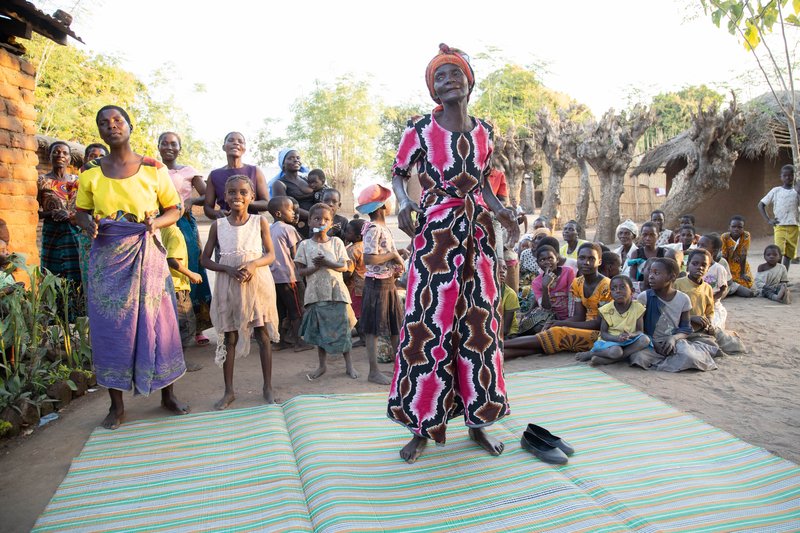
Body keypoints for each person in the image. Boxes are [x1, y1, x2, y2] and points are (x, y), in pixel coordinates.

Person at [388, 44, 518, 463]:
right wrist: (405, 203)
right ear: (432, 90)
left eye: (455, 74)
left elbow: (481, 185)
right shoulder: (419, 129)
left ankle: (479, 422)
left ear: (469, 81)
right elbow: (399, 173)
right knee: (428, 327)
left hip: (477, 235)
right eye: (440, 77)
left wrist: (503, 213)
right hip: (436, 236)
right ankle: (421, 425)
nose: (448, 81)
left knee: (479, 327)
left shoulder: (485, 131)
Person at [74, 105, 190, 429]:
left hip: (147, 251)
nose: (111, 126)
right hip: (107, 259)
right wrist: (87, 224)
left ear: (129, 126)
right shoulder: (91, 172)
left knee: (159, 322)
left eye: (117, 121)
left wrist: (157, 222)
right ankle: (116, 406)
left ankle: (168, 395)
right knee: (111, 327)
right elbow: (80, 211)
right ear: (99, 131)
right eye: (103, 123)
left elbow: (174, 208)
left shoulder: (153, 167)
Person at [201, 175, 280, 410]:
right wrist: (227, 268)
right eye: (232, 192)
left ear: (252, 197)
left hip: (257, 284)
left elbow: (270, 254)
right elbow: (204, 259)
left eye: (243, 192)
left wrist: (254, 264)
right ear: (224, 197)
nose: (238, 196)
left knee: (262, 334)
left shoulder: (260, 222)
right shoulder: (219, 225)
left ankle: (267, 387)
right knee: (230, 336)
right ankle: (229, 391)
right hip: (229, 285)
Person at [505, 242, 610, 358]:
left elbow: (599, 323)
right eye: (582, 258)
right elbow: (579, 316)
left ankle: (500, 345)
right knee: (548, 340)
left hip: (602, 335)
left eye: (591, 258)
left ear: (599, 261)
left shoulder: (606, 286)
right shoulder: (578, 282)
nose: (586, 262)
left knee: (556, 333)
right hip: (584, 326)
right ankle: (501, 353)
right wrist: (559, 323)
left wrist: (561, 323)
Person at [158, 131, 213, 345]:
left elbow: (207, 195)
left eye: (174, 144)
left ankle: (197, 325)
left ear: (180, 148)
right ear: (159, 146)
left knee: (190, 267)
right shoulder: (152, 168)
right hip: (159, 220)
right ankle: (169, 322)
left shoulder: (189, 171)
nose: (169, 147)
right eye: (164, 143)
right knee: (162, 267)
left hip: (184, 221)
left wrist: (191, 201)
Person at [295, 203, 357, 380]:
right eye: (317, 218)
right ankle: (322, 366)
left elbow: (344, 267)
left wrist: (328, 263)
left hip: (337, 293)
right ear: (309, 222)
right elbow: (300, 272)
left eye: (326, 219)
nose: (321, 221)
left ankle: (349, 366)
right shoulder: (305, 245)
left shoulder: (336, 242)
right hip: (316, 294)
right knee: (320, 331)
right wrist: (315, 266)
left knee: (343, 329)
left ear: (331, 223)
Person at [629, 258, 719, 372]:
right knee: (638, 358)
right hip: (651, 341)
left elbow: (685, 329)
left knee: (690, 357)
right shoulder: (644, 297)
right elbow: (639, 329)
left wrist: (673, 338)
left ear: (672, 277)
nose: (650, 276)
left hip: (674, 341)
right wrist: (653, 342)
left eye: (656, 273)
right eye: (650, 272)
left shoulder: (683, 299)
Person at [357, 184, 404, 384]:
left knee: (394, 325)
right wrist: (393, 255)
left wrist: (396, 257)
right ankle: (373, 372)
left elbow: (381, 255)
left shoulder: (381, 228)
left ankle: (399, 367)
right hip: (377, 285)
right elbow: (369, 259)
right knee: (373, 329)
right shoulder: (374, 229)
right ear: (382, 206)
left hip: (387, 283)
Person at [575, 274, 650, 366]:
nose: (617, 291)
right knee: (616, 351)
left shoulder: (638, 307)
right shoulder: (606, 309)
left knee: (645, 340)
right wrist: (617, 339)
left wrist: (631, 335)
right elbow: (604, 334)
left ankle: (611, 360)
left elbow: (639, 331)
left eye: (622, 287)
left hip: (629, 340)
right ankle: (592, 354)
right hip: (610, 342)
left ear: (632, 291)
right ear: (611, 294)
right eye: (613, 289)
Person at [37, 141, 82, 286]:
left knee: (76, 275)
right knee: (51, 275)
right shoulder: (42, 181)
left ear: (69, 158)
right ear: (50, 156)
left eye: (64, 153)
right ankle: (51, 308)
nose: (60, 155)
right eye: (56, 152)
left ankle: (73, 308)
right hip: (52, 233)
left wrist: (68, 214)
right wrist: (51, 213)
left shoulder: (78, 182)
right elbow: (34, 212)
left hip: (74, 232)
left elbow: (86, 209)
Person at [160, 225, 203, 372]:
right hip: (178, 287)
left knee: (169, 327)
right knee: (187, 326)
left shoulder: (160, 229)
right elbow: (172, 260)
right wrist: (191, 274)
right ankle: (179, 363)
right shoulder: (174, 232)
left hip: (164, 285)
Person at [267, 196, 308, 351]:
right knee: (296, 310)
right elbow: (296, 255)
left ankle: (279, 341)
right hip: (289, 276)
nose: (293, 213)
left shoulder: (269, 229)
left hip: (273, 277)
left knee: (280, 309)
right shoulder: (288, 229)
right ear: (278, 213)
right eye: (290, 209)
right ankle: (298, 341)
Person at [204, 132, 269, 220]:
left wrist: (243, 202)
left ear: (244, 149)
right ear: (223, 147)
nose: (236, 143)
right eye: (231, 140)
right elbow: (207, 207)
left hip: (252, 225)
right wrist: (216, 213)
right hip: (226, 224)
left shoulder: (255, 171)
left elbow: (266, 203)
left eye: (240, 141)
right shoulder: (214, 175)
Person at [758, 164, 799, 270]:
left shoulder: (796, 192)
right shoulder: (776, 191)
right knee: (779, 252)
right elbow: (761, 204)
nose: (788, 178)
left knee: (789, 255)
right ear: (781, 177)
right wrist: (768, 220)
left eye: (790, 175)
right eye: (785, 175)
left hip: (794, 226)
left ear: (794, 176)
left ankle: (783, 276)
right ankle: (777, 274)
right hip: (779, 225)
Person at [272, 149, 316, 237]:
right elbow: (285, 208)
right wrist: (313, 216)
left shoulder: (307, 180)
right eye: (291, 158)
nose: (296, 160)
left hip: (313, 224)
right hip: (294, 227)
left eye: (298, 158)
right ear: (283, 164)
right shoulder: (279, 184)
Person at [696, 233, 731, 329]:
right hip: (695, 305)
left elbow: (723, 289)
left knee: (711, 327)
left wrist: (710, 301)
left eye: (703, 245)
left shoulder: (718, 269)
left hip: (713, 307)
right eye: (698, 244)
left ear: (714, 251)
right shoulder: (693, 267)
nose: (699, 247)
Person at [344, 218, 367, 347]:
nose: (345, 234)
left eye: (348, 232)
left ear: (357, 236)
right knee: (363, 311)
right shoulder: (367, 245)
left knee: (355, 312)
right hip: (367, 284)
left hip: (356, 287)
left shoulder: (352, 250)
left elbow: (349, 272)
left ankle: (362, 337)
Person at [720, 215, 754, 296]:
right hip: (727, 263)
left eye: (740, 227)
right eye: (733, 226)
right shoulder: (725, 237)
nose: (736, 229)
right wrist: (727, 273)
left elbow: (743, 254)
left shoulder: (746, 236)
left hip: (740, 264)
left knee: (747, 282)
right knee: (728, 280)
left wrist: (742, 273)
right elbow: (724, 255)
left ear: (743, 228)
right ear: (729, 227)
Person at [498, 262, 519, 338]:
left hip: (507, 332)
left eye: (505, 268)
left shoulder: (510, 294)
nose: (502, 271)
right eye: (497, 267)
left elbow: (506, 329)